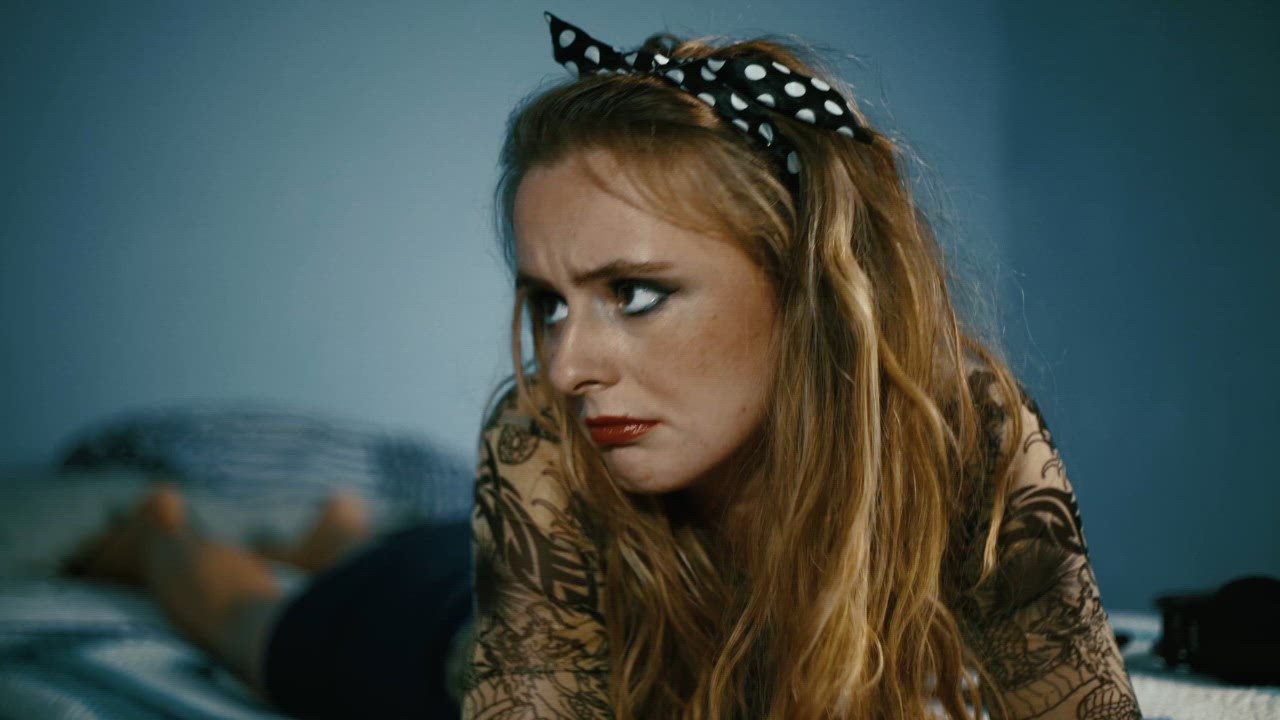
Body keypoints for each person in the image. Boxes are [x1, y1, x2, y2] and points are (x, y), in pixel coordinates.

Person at [66, 13, 1141, 720]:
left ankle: (344, 528)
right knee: (248, 623)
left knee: (398, 542)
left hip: (480, 558)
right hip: (434, 632)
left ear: (805, 285)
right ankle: (162, 532)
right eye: (547, 301)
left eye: (633, 291)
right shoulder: (539, 436)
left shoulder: (965, 428)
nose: (565, 363)